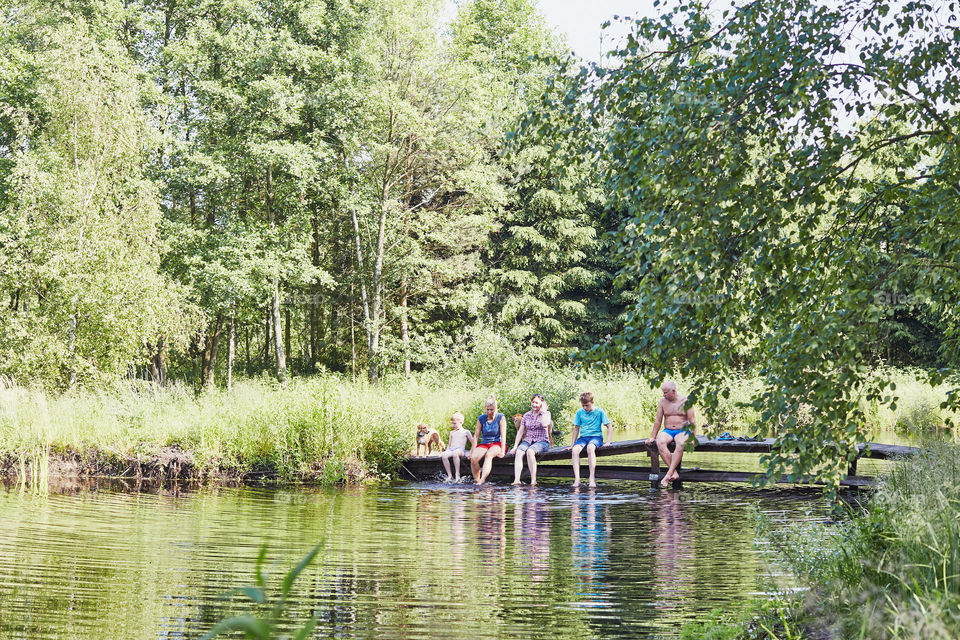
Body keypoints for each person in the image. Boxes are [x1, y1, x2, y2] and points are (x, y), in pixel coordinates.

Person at [646, 380, 697, 488]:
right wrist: (652, 437)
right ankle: (673, 472)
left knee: (680, 443)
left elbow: (692, 421)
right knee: (660, 442)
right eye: (663, 392)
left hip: (682, 430)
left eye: (665, 392)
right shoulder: (662, 402)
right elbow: (658, 421)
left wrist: (692, 437)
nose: (663, 395)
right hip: (668, 430)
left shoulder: (685, 401)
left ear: (673, 391)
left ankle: (668, 474)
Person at [509, 394, 553, 486]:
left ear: (542, 404)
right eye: (533, 402)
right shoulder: (526, 415)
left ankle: (533, 481)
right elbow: (520, 431)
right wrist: (515, 446)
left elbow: (545, 424)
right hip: (528, 440)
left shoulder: (546, 414)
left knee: (530, 451)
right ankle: (517, 480)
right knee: (519, 452)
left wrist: (544, 411)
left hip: (542, 441)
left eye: (537, 403)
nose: (534, 405)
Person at [570, 392, 612, 488]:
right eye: (583, 405)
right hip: (583, 437)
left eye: (587, 405)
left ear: (592, 402)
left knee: (590, 448)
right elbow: (576, 428)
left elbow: (609, 426)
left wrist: (608, 441)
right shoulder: (579, 412)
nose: (585, 408)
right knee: (575, 450)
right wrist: (572, 444)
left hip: (596, 437)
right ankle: (577, 479)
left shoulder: (599, 412)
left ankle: (591, 478)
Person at [471, 396, 507, 484]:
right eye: (487, 410)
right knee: (473, 458)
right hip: (485, 443)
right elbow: (476, 436)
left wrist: (502, 451)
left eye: (491, 410)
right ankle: (477, 480)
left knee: (489, 455)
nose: (489, 412)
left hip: (497, 443)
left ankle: (482, 480)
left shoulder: (500, 417)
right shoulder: (481, 418)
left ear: (496, 409)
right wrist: (472, 451)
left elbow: (503, 434)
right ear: (485, 409)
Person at [441, 412, 475, 482]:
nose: (453, 425)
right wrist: (446, 451)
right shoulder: (452, 432)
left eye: (455, 423)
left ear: (461, 422)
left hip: (460, 450)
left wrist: (471, 452)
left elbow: (473, 443)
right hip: (452, 449)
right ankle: (450, 475)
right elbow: (449, 445)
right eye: (452, 423)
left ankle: (457, 474)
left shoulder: (466, 432)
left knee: (455, 453)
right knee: (444, 455)